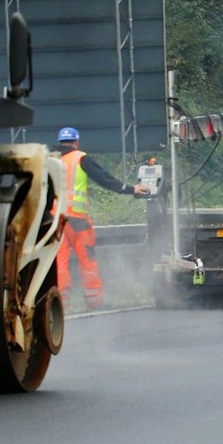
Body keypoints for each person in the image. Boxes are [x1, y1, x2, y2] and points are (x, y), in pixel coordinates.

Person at [52, 127, 147, 308]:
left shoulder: (51, 160)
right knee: (87, 260)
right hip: (78, 220)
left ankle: (60, 305)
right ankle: (95, 301)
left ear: (59, 142)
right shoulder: (81, 158)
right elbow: (105, 179)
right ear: (76, 142)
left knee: (59, 262)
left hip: (56, 220)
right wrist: (131, 188)